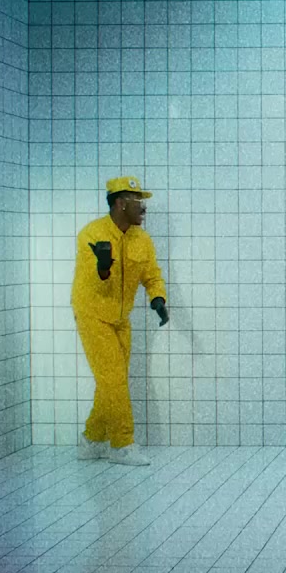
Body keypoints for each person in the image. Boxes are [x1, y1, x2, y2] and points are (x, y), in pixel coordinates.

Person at [71, 176, 169, 466]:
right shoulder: (91, 234)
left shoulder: (142, 239)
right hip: (93, 314)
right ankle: (122, 444)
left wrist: (158, 298)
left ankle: (91, 440)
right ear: (120, 203)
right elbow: (93, 282)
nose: (144, 207)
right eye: (138, 200)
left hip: (120, 318)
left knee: (112, 381)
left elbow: (151, 274)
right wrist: (103, 268)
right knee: (113, 380)